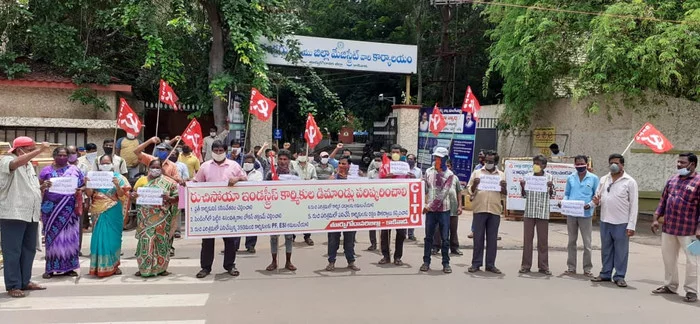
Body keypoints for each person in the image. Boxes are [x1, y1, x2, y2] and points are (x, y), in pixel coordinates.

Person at [0, 137, 49, 298]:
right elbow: (14, 165)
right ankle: (13, 284)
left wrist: (41, 188)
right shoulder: (8, 159)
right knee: (12, 251)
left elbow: (29, 188)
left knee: (28, 250)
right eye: (30, 150)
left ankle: (24, 281)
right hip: (13, 213)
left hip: (31, 214)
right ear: (20, 150)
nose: (32, 153)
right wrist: (40, 150)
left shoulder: (28, 166)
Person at [651, 152, 700, 303]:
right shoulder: (672, 179)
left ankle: (691, 291)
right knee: (669, 258)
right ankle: (670, 285)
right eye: (678, 162)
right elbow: (663, 200)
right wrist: (656, 218)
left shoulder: (699, 181)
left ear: (692, 164)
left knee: (693, 260)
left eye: (683, 163)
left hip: (691, 232)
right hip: (669, 228)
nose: (679, 165)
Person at [194, 140, 247, 278]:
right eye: (216, 150)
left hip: (228, 209)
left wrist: (237, 179)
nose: (218, 153)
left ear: (225, 151)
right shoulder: (205, 166)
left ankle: (230, 265)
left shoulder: (234, 165)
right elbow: (196, 184)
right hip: (209, 210)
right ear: (212, 151)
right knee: (207, 240)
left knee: (230, 240)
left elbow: (246, 179)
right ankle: (205, 267)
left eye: (220, 150)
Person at [590, 153, 638, 287]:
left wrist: (631, 225)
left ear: (622, 165)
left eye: (616, 163)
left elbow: (634, 205)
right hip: (605, 220)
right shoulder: (604, 179)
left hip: (622, 222)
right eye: (611, 162)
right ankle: (605, 273)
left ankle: (619, 276)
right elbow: (597, 198)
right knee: (606, 249)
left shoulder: (629, 181)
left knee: (621, 251)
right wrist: (594, 202)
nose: (613, 165)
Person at [38, 147, 85, 279]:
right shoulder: (46, 170)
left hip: (69, 209)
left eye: (65, 155)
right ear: (54, 156)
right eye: (60, 155)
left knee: (69, 238)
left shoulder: (74, 170)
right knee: (52, 238)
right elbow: (37, 186)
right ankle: (50, 268)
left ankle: (69, 267)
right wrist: (43, 186)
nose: (63, 157)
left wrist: (79, 189)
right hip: (51, 209)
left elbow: (82, 185)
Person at [130, 159, 178, 277]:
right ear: (148, 168)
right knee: (145, 242)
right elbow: (133, 197)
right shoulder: (142, 181)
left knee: (161, 242)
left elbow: (177, 199)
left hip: (162, 218)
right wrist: (133, 196)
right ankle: (144, 268)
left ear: (161, 168)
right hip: (144, 218)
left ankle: (161, 268)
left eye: (158, 167)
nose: (155, 169)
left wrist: (168, 198)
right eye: (153, 167)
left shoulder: (169, 182)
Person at [86, 154, 130, 277]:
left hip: (113, 210)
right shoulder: (94, 177)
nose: (105, 165)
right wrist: (88, 184)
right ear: (99, 165)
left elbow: (122, 195)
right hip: (98, 211)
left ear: (112, 164)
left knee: (114, 239)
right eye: (103, 163)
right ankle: (98, 266)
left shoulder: (119, 177)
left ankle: (114, 265)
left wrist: (116, 185)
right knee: (98, 238)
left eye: (108, 163)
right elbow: (89, 194)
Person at [467, 150, 507, 274]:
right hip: (480, 209)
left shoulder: (501, 175)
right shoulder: (477, 173)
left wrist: (503, 187)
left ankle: (490, 264)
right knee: (478, 238)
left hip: (494, 210)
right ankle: (476, 263)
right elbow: (469, 190)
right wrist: (475, 185)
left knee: (492, 239)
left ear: (495, 162)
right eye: (486, 160)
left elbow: (504, 195)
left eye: (490, 161)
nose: (487, 163)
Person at [420, 147, 457, 274]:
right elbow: (424, 189)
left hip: (443, 210)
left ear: (445, 159)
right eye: (435, 157)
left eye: (439, 158)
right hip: (430, 211)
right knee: (428, 237)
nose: (436, 160)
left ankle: (446, 263)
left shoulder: (450, 175)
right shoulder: (429, 171)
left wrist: (429, 206)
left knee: (445, 238)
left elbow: (443, 194)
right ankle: (426, 261)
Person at [562, 155, 599, 276]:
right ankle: (571, 267)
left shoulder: (593, 178)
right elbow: (567, 193)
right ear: (574, 165)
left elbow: (597, 196)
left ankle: (587, 269)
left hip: (586, 214)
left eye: (582, 164)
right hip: (572, 213)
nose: (579, 166)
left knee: (587, 243)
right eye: (577, 164)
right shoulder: (570, 178)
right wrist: (564, 202)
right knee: (571, 241)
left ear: (587, 164)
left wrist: (590, 205)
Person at [518, 155, 555, 275]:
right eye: (534, 163)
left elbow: (552, 195)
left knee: (543, 241)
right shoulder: (528, 176)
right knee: (527, 240)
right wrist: (523, 186)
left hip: (543, 212)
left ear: (544, 165)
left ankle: (544, 266)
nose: (536, 166)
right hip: (529, 212)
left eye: (538, 164)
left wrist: (550, 187)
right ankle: (525, 265)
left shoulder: (549, 177)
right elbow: (523, 195)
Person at [325, 156, 361, 271]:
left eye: (344, 164)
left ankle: (351, 261)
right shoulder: (333, 178)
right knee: (333, 240)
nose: (341, 165)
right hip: (335, 214)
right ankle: (331, 261)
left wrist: (359, 176)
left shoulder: (354, 179)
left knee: (349, 240)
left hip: (350, 214)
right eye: (339, 163)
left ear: (349, 166)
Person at [379, 144, 412, 265]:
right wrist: (387, 177)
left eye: (397, 152)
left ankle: (398, 256)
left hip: (401, 204)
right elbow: (378, 183)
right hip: (387, 203)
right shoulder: (385, 166)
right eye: (393, 152)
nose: (395, 154)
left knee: (402, 232)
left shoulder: (405, 166)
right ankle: (385, 255)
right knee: (385, 232)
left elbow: (410, 183)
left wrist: (411, 177)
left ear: (401, 153)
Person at [265, 149, 298, 271]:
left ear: (289, 161)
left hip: (289, 210)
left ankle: (288, 262)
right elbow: (264, 190)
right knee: (274, 237)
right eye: (280, 159)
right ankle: (274, 261)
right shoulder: (270, 174)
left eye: (285, 159)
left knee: (289, 237)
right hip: (274, 210)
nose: (282, 162)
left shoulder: (294, 174)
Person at [234, 154, 263, 253]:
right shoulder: (237, 172)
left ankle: (250, 245)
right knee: (236, 224)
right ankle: (234, 246)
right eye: (246, 162)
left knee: (251, 224)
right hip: (238, 203)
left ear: (253, 163)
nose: (247, 164)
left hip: (252, 203)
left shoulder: (258, 174)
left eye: (250, 162)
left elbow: (257, 187)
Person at [433, 159, 463, 256]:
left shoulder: (455, 178)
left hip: (453, 208)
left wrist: (460, 206)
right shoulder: (437, 177)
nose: (447, 168)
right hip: (440, 208)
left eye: (449, 166)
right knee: (438, 228)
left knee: (453, 228)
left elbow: (459, 192)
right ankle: (436, 247)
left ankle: (454, 247)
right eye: (445, 166)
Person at [291, 149, 317, 246]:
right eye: (300, 154)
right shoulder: (292, 165)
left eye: (303, 154)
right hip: (294, 195)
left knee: (306, 216)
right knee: (293, 216)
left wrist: (309, 181)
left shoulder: (311, 167)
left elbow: (315, 178)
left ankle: (307, 236)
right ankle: (292, 236)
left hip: (307, 195)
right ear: (297, 155)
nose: (302, 156)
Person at [365, 153, 382, 250]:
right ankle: (373, 243)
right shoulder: (371, 173)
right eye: (376, 160)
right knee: (372, 224)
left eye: (379, 160)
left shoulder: (386, 172)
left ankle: (383, 244)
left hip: (383, 200)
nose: (377, 162)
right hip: (373, 200)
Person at [468, 150, 487, 239]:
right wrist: (472, 194)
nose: (479, 156)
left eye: (482, 154)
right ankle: (473, 230)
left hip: (489, 195)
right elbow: (472, 182)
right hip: (478, 194)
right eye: (479, 154)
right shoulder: (477, 168)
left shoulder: (493, 168)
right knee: (477, 213)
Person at [406, 153, 421, 241]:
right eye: (408, 159)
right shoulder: (403, 169)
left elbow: (420, 182)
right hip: (404, 194)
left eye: (412, 159)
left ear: (415, 161)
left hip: (413, 195)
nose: (410, 161)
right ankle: (403, 233)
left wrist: (414, 177)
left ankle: (411, 234)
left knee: (412, 214)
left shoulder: (418, 171)